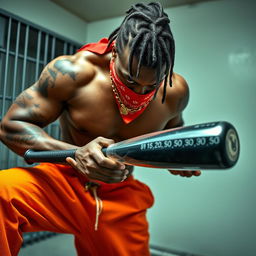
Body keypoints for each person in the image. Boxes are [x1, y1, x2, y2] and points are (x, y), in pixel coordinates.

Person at [0, 2, 201, 256]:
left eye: (150, 86)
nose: (137, 94)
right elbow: (11, 127)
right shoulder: (73, 73)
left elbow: (171, 135)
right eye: (130, 79)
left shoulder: (175, 93)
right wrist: (76, 153)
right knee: (2, 194)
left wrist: (178, 158)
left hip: (120, 195)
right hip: (64, 181)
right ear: (115, 52)